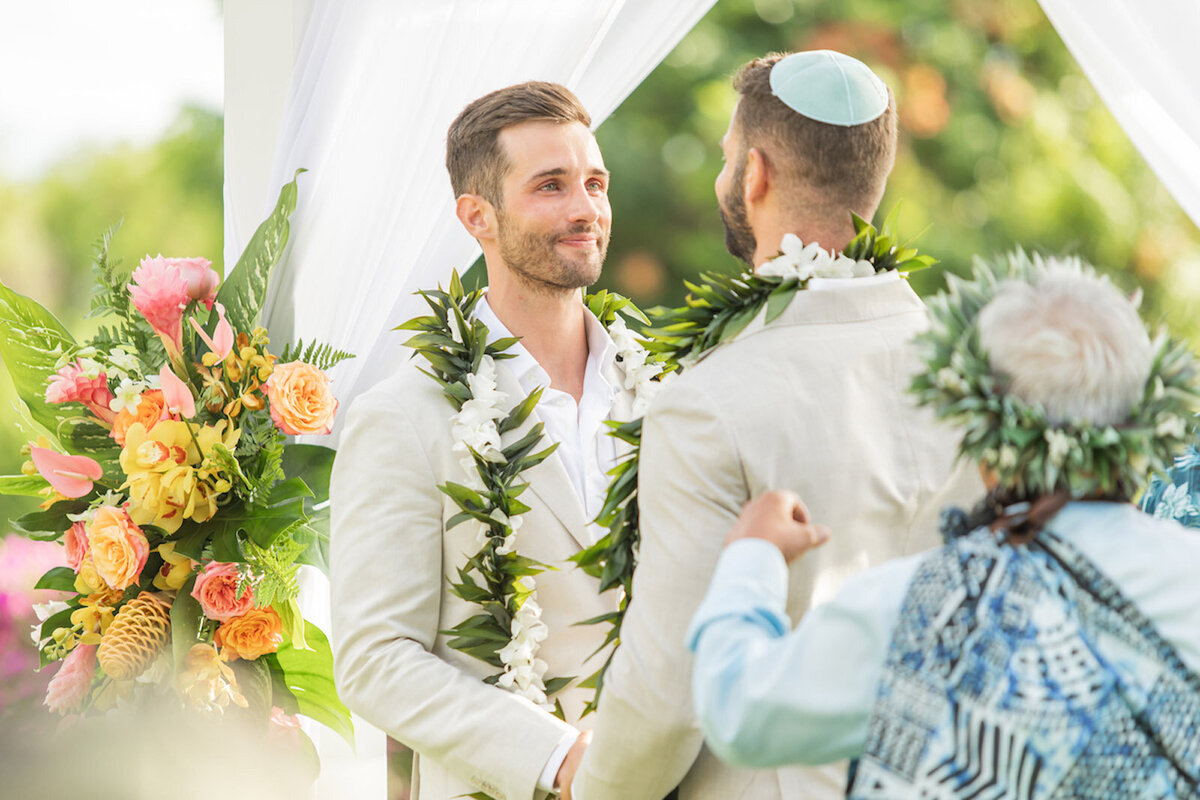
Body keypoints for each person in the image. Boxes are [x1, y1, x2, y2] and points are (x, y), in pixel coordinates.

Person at [565, 51, 981, 800]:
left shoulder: (708, 402)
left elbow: (670, 687)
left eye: (727, 157)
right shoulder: (977, 374)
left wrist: (594, 788)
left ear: (754, 174)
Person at [688, 257, 1200, 798]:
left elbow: (740, 715)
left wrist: (752, 556)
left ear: (988, 439)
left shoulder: (926, 606)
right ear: (1142, 421)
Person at [330, 82, 639, 800]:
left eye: (595, 183)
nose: (584, 209)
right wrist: (556, 757)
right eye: (551, 186)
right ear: (478, 217)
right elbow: (376, 659)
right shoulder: (403, 417)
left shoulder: (667, 390)